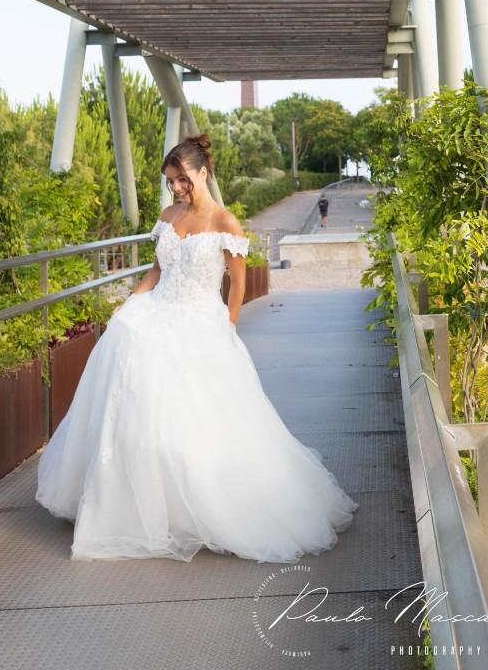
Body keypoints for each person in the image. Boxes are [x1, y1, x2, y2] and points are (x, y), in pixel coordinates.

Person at [35, 133, 358, 562]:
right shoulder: (169, 215)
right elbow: (156, 270)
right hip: (159, 308)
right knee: (128, 361)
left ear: (203, 173)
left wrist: (228, 328)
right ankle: (130, 499)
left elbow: (238, 283)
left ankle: (197, 503)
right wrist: (130, 304)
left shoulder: (226, 223)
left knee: (196, 412)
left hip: (201, 317)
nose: (176, 189)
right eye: (170, 181)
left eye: (182, 179)